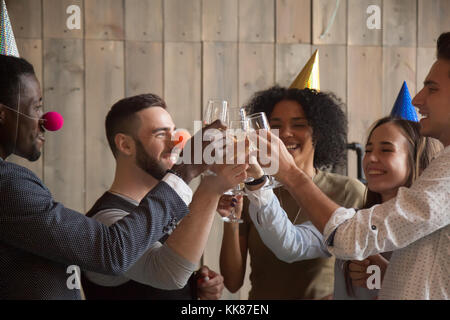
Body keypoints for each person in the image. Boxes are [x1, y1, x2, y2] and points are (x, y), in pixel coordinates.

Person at [0, 55, 230, 299]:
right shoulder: (7, 185)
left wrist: (193, 290)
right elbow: (113, 252)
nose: (48, 120)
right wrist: (187, 172)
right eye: (36, 107)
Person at [255, 32, 450, 299]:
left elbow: (351, 236)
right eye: (368, 149)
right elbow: (291, 244)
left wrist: (289, 173)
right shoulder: (366, 213)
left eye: (433, 88)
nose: (418, 98)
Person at [239, 117, 441, 299]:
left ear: (419, 161)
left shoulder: (437, 236)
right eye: (368, 150)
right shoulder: (350, 224)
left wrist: (389, 275)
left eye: (386, 150)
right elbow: (288, 244)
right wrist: (257, 182)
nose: (370, 158)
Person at [81, 94, 245, 300]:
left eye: (174, 132)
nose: (175, 142)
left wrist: (195, 286)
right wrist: (211, 187)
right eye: (161, 134)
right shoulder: (106, 220)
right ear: (125, 145)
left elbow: (163, 279)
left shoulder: (167, 207)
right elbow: (170, 274)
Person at [219, 87, 366, 299]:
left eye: (299, 125)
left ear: (320, 132)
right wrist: (231, 220)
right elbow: (232, 283)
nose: (285, 133)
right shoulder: (252, 191)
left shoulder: (349, 192)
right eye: (275, 126)